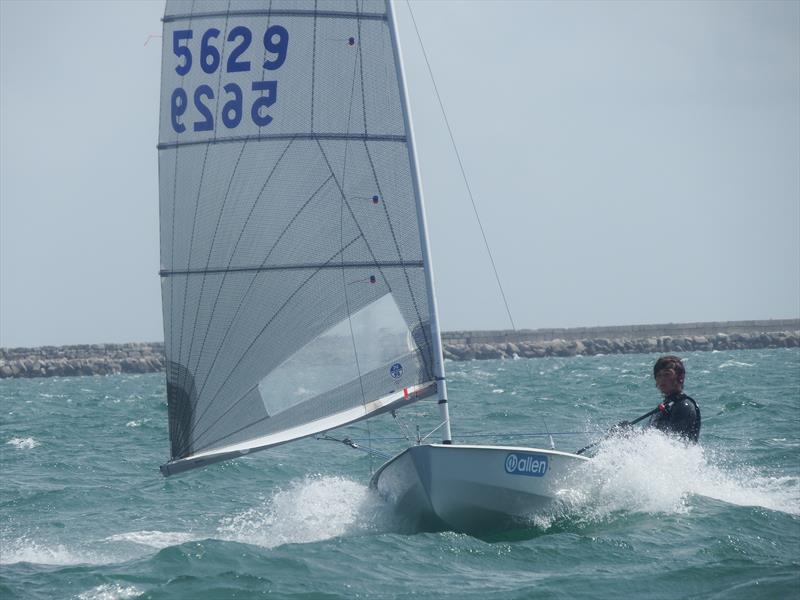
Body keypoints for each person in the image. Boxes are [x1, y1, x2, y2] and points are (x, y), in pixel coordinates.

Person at [648, 355, 701, 442]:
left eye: (667, 374)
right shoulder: (665, 406)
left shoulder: (684, 406)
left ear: (681, 377)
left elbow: (673, 440)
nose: (662, 379)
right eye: (658, 375)